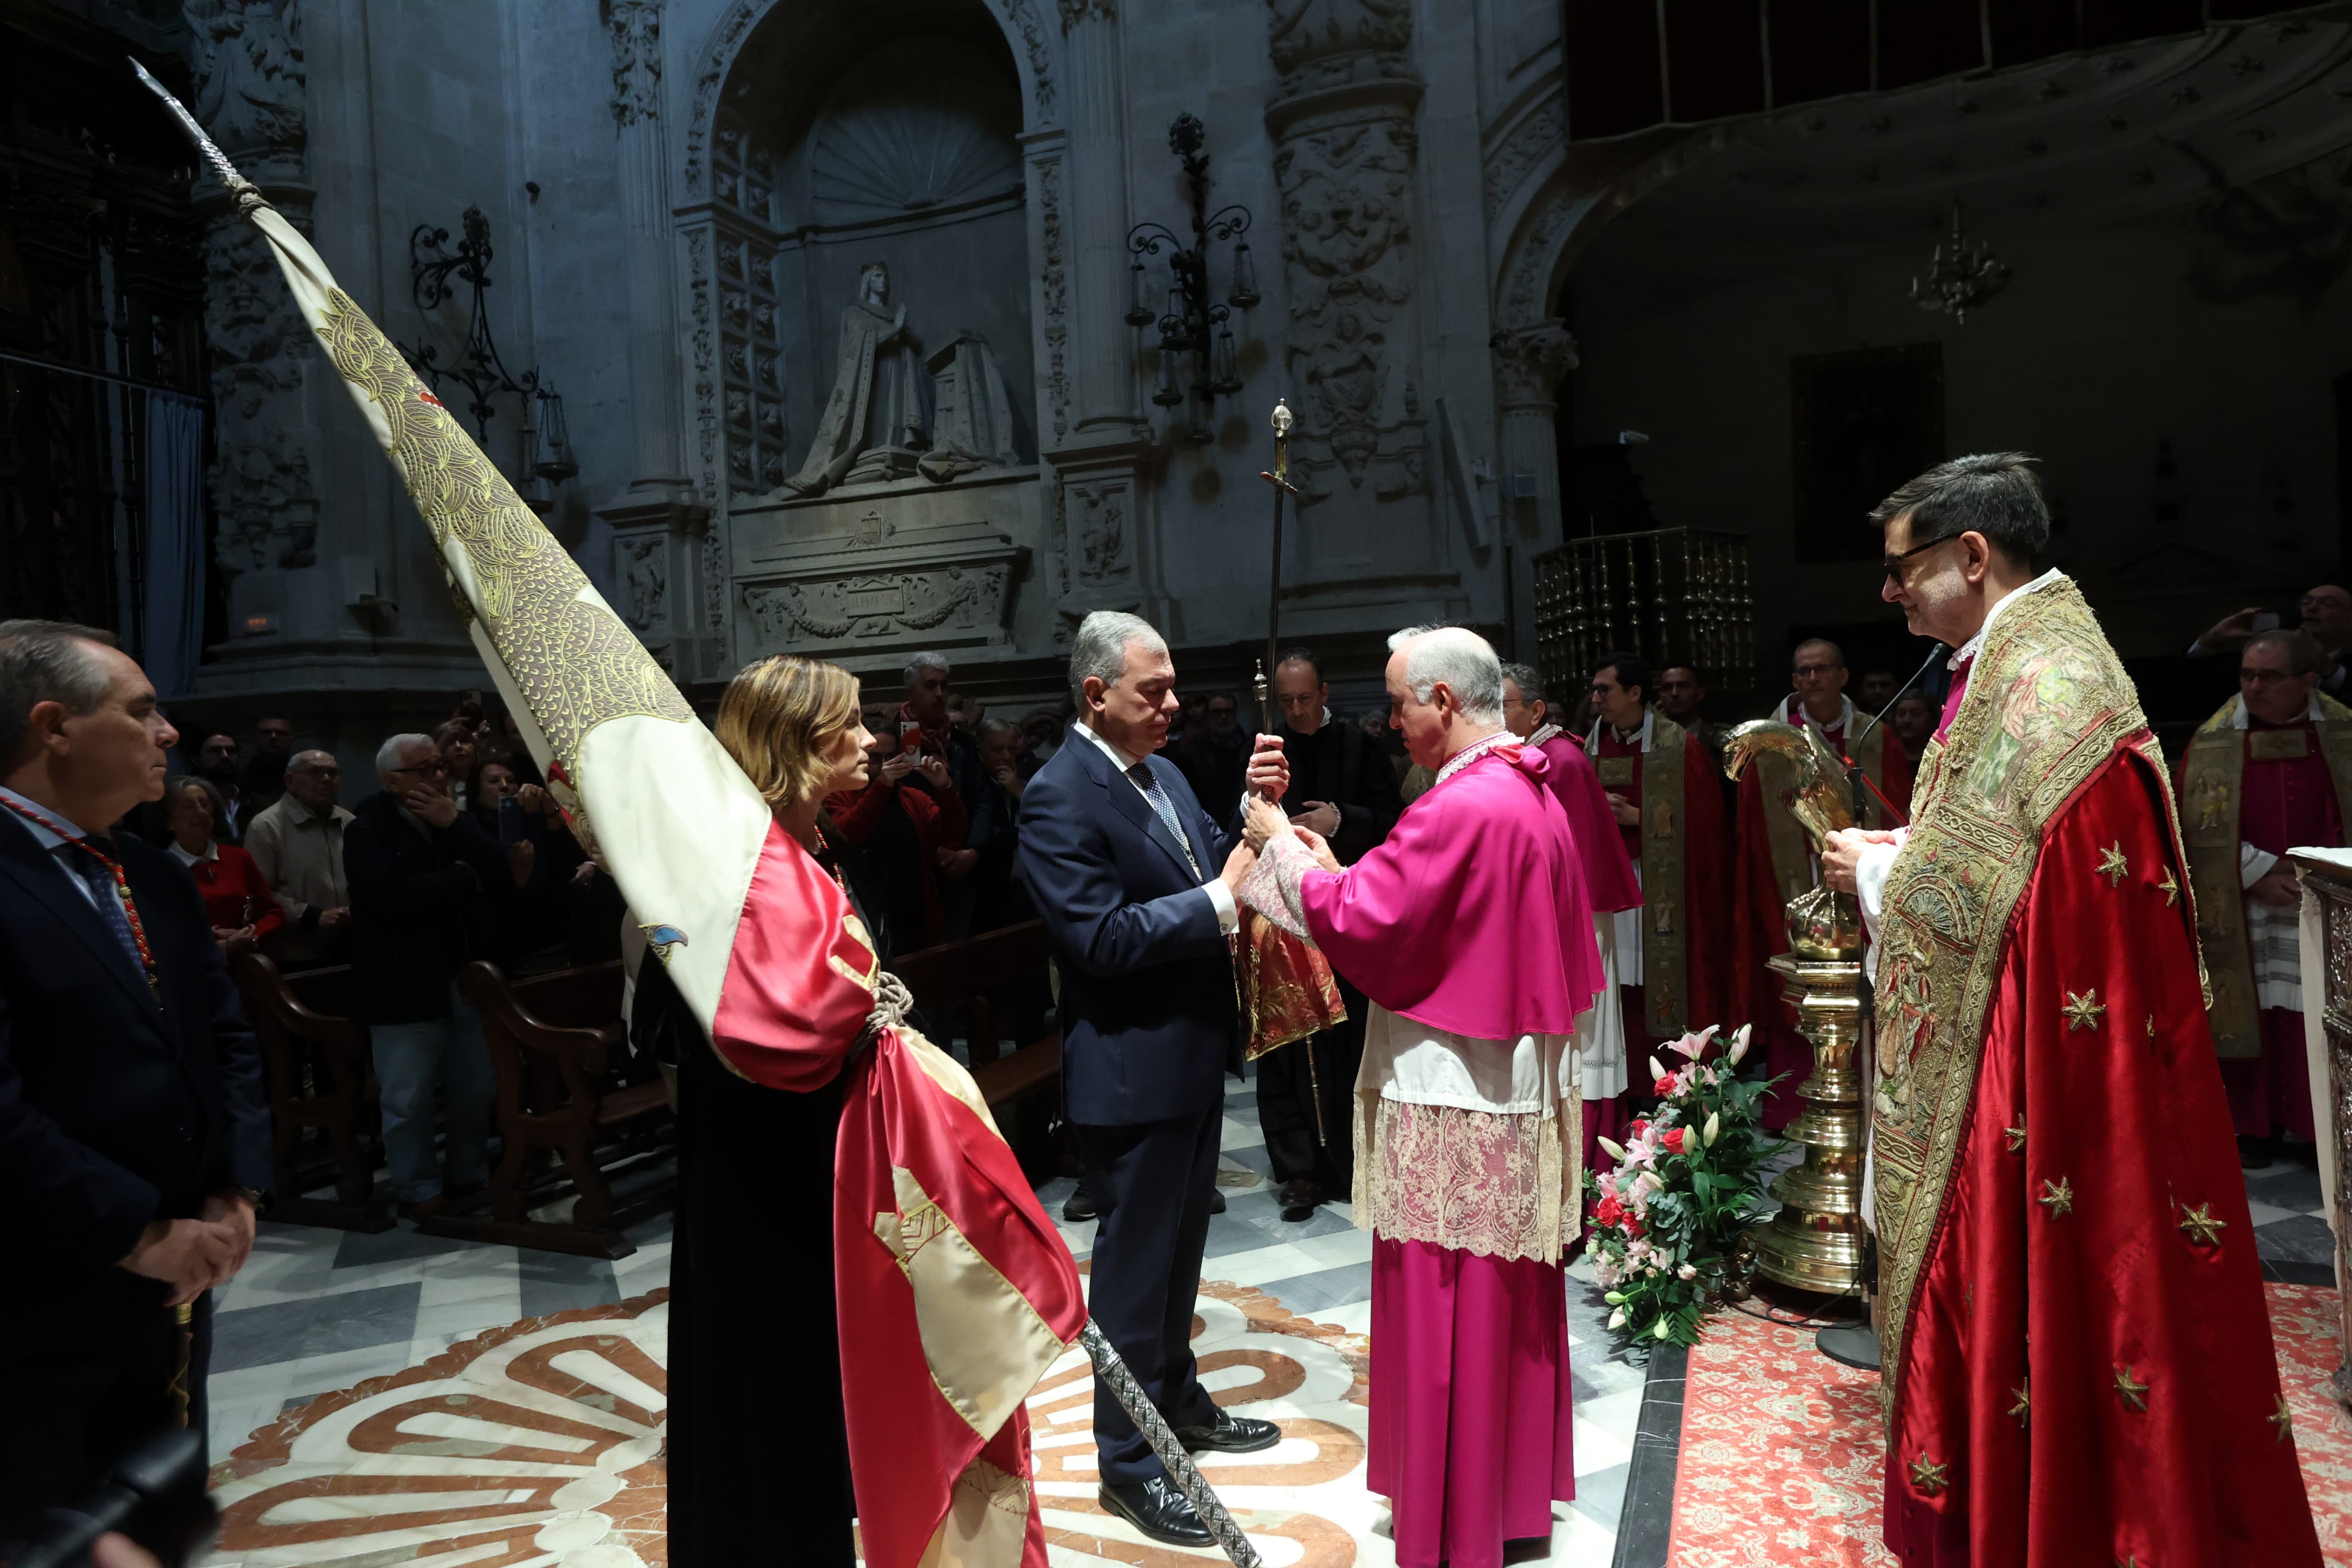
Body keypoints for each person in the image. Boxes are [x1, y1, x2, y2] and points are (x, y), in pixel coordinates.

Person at [1821, 453, 2318, 1566]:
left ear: (1970, 556)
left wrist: (1875, 871)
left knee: (2059, 1300)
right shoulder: (2007, 659)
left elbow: (2012, 899)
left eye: (1903, 569)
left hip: (2040, 1068)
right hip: (2023, 1036)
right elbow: (1994, 855)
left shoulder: (2044, 689)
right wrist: (1901, 852)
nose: (1890, 593)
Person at [1238, 625, 1600, 1568]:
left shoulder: (1465, 802)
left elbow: (1366, 919)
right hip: (1504, 1076)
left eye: (1400, 701)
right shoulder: (1521, 785)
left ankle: (1458, 1508)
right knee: (1505, 1297)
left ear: (1444, 699)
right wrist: (1325, 853)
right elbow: (1410, 897)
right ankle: (1506, 1488)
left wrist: (1280, 845)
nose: (1391, 719)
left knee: (1452, 1295)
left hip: (1451, 1085)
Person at [1016, 611, 1288, 1545]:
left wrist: (1252, 816)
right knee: (1133, 1275)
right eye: (1154, 690)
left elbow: (1213, 863)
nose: (1173, 703)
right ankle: (1128, 1464)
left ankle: (1179, 1402)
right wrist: (1219, 895)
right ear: (1096, 694)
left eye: (1172, 686)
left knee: (1179, 1255)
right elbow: (1098, 937)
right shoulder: (1059, 794)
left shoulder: (1163, 771)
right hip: (1129, 1068)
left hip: (1188, 1052)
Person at [0, 620, 269, 1548]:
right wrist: (136, 1229)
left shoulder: (145, 867)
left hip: (169, 1281)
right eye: (141, 709)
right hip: (41, 1286)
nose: (169, 732)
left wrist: (235, 1185)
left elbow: (223, 1037)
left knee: (155, 1516)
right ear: (53, 725)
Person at [639, 654, 876, 1568]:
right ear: (789, 742)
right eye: (846, 724)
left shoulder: (813, 848)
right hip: (757, 1181)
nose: (868, 738)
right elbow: (718, 1028)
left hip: (814, 1168)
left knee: (814, 1401)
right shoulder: (726, 867)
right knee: (764, 1405)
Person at [2179, 628, 2350, 1166]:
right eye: (2247, 675)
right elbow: (2190, 822)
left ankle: (2317, 1124)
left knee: (2319, 1008)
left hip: (2326, 902)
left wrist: (2312, 878)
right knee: (2252, 1006)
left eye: (2270, 677)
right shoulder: (2213, 740)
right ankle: (2254, 1125)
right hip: (2246, 899)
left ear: (2307, 680)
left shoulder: (2343, 734)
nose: (2254, 687)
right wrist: (2254, 871)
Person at [1732, 638, 1913, 1128]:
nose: (1811, 680)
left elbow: (1899, 812)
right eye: (1803, 672)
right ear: (1793, 682)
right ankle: (1791, 1103)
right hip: (1794, 882)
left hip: (1864, 884)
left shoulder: (1874, 739)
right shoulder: (1771, 746)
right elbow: (1752, 837)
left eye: (1821, 670)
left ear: (1841, 676)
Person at [344, 732, 523, 1221]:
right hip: (402, 983)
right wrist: (463, 879)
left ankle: (468, 1172)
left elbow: (502, 875)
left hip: (463, 978)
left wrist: (457, 825)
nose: (438, 776)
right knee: (408, 1097)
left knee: (473, 1087)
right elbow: (388, 898)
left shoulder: (453, 822)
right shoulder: (367, 828)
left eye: (439, 766)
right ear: (390, 780)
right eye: (423, 769)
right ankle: (416, 1184)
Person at [1262, 647, 1406, 1218]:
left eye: (1305, 698)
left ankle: (1354, 1160)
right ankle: (1298, 1170)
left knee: (1347, 1042)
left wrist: (1339, 820)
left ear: (1325, 693)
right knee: (1287, 1047)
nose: (1296, 710)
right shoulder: (1266, 751)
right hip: (1281, 918)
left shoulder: (1359, 745)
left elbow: (1393, 822)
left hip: (1347, 911)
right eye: (1286, 701)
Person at [1505, 662, 1643, 1179]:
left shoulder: (1558, 759)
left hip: (1573, 927)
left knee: (1581, 1049)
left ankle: (1582, 1176)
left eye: (1503, 705)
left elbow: (1571, 865)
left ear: (1535, 709)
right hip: (1553, 924)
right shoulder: (1535, 753)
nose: (1493, 715)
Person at [1584, 651, 1737, 1091]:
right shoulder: (1588, 748)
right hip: (1606, 884)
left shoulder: (1678, 746)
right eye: (1594, 690)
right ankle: (1620, 1082)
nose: (1596, 698)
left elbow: (1707, 823)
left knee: (1655, 977)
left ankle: (1674, 1085)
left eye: (1604, 689)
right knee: (1617, 981)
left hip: (1659, 885)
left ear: (1635, 693)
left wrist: (1641, 818)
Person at [826, 725, 969, 957]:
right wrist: (882, 785)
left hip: (914, 918)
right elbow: (848, 836)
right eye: (876, 757)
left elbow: (953, 836)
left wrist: (945, 787)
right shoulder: (839, 796)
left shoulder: (914, 799)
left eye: (891, 756)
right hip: (863, 919)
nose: (885, 764)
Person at [245, 749, 353, 970]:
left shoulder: (349, 822)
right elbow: (259, 895)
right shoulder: (266, 826)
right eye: (315, 772)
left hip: (349, 944)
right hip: (293, 953)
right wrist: (314, 916)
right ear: (290, 781)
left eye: (332, 773)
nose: (326, 779)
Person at [160, 776, 282, 957]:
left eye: (205, 804)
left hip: (248, 964)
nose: (200, 812)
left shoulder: (238, 858)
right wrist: (211, 939)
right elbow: (158, 930)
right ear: (169, 821)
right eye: (188, 807)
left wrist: (251, 935)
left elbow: (273, 912)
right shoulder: (159, 867)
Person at [2191, 583, 2352, 696]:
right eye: (2306, 603)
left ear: (2349, 621)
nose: (2311, 608)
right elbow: (2187, 681)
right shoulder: (2259, 662)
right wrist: (2213, 639)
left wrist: (2328, 669)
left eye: (2328, 604)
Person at [1174, 690, 1250, 830]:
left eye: (1229, 711)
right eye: (1217, 712)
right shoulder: (1192, 753)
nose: (1224, 717)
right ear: (1208, 716)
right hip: (1210, 826)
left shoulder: (1250, 747)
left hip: (1246, 822)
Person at [1655, 663, 1728, 774]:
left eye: (1683, 686)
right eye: (1668, 688)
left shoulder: (1722, 742)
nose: (1675, 694)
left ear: (1700, 694)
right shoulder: (1649, 742)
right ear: (1661, 697)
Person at [190, 731, 248, 842]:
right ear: (196, 760)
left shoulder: (251, 799)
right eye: (215, 751)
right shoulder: (188, 803)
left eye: (231, 751)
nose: (225, 756)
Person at [239, 715, 294, 813]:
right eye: (266, 733)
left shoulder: (305, 775)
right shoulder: (239, 778)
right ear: (255, 739)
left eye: (281, 733)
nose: (273, 737)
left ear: (291, 739)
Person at [435, 719, 483, 815]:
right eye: (450, 742)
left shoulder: (490, 780)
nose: (458, 747)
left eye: (464, 741)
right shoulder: (437, 784)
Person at [1888, 690, 1935, 757]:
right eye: (1901, 714)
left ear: (1931, 717)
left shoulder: (1939, 757)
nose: (1907, 720)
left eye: (1916, 714)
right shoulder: (1884, 753)